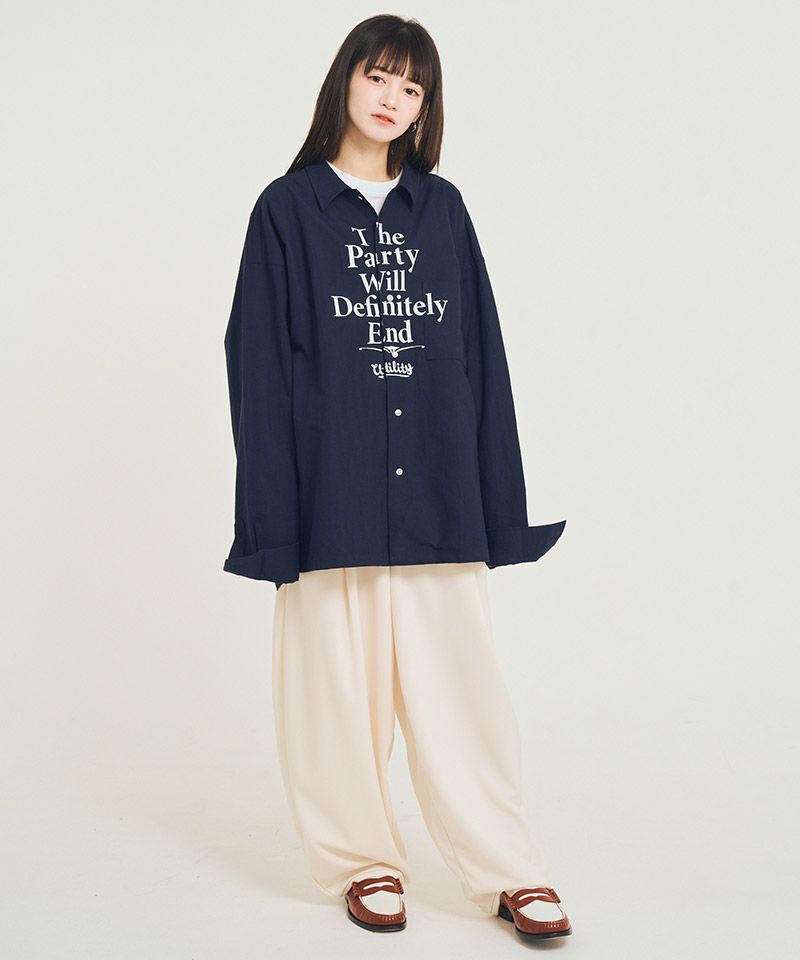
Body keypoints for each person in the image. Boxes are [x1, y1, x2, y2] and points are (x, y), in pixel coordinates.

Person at [222, 13, 572, 942]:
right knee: (335, 692)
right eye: (378, 76)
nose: (391, 98)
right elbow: (258, 365)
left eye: (412, 88)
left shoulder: (441, 210)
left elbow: (480, 355)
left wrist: (496, 500)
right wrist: (272, 518)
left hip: (437, 493)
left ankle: (508, 869)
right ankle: (363, 862)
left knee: (462, 692)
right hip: (329, 489)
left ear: (425, 109)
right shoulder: (286, 210)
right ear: (345, 80)